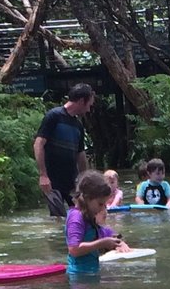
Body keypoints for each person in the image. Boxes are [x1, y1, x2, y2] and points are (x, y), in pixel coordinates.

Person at [34, 83, 96, 216]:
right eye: (89, 105)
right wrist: (43, 175)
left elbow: (81, 155)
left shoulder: (78, 125)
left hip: (72, 181)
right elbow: (38, 144)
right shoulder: (54, 116)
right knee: (58, 219)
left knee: (83, 215)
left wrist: (84, 179)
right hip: (52, 181)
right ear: (81, 101)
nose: (89, 110)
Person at [65, 171, 130, 270]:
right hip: (79, 276)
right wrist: (103, 243)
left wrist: (119, 243)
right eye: (100, 204)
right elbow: (74, 249)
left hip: (92, 272)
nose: (103, 208)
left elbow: (105, 233)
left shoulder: (88, 216)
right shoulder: (76, 217)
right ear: (87, 198)